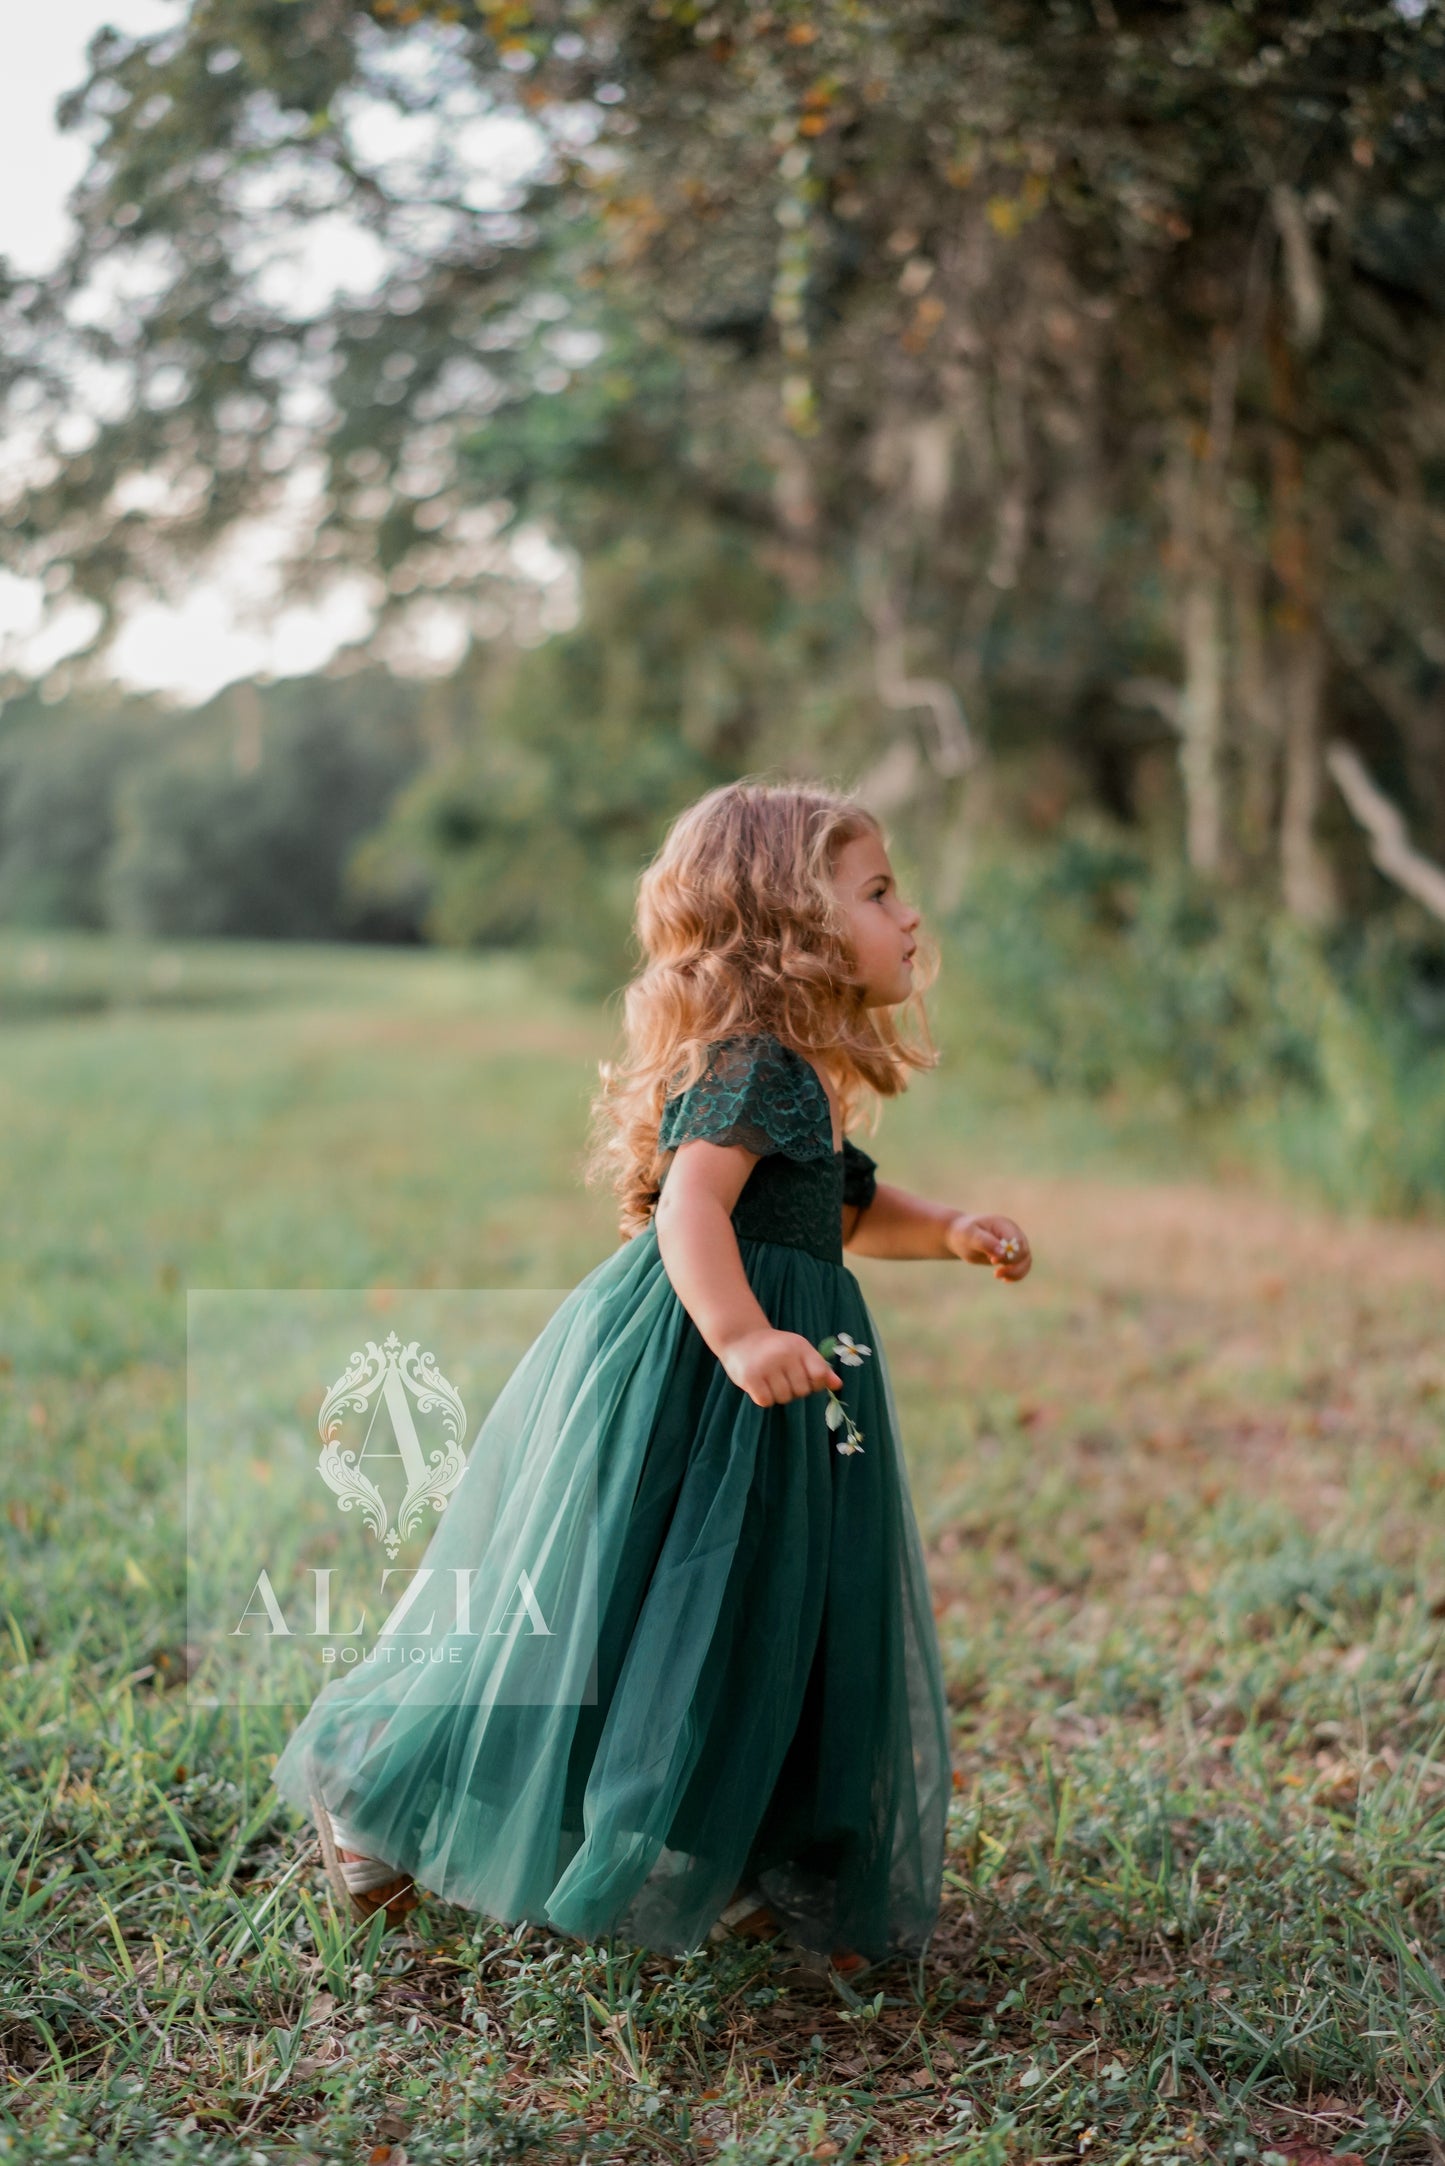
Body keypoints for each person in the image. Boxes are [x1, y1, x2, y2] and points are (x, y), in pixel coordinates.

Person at [271, 777, 1031, 1980]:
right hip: (703, 1375)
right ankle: (375, 1796)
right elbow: (691, 1205)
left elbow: (840, 1204)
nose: (909, 916)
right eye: (878, 891)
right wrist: (736, 1337)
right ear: (789, 920)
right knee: (621, 1610)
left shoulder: (796, 1075)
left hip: (777, 1385)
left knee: (757, 1609)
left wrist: (947, 1231)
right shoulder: (756, 1066)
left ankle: (731, 1846)